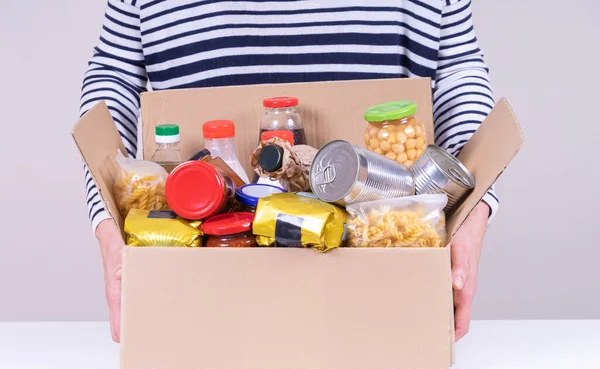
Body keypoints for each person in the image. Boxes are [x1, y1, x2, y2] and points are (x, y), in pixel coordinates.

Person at [81, 0, 497, 343]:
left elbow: (457, 69)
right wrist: (106, 216)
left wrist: (474, 207)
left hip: (382, 282)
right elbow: (113, 74)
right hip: (203, 300)